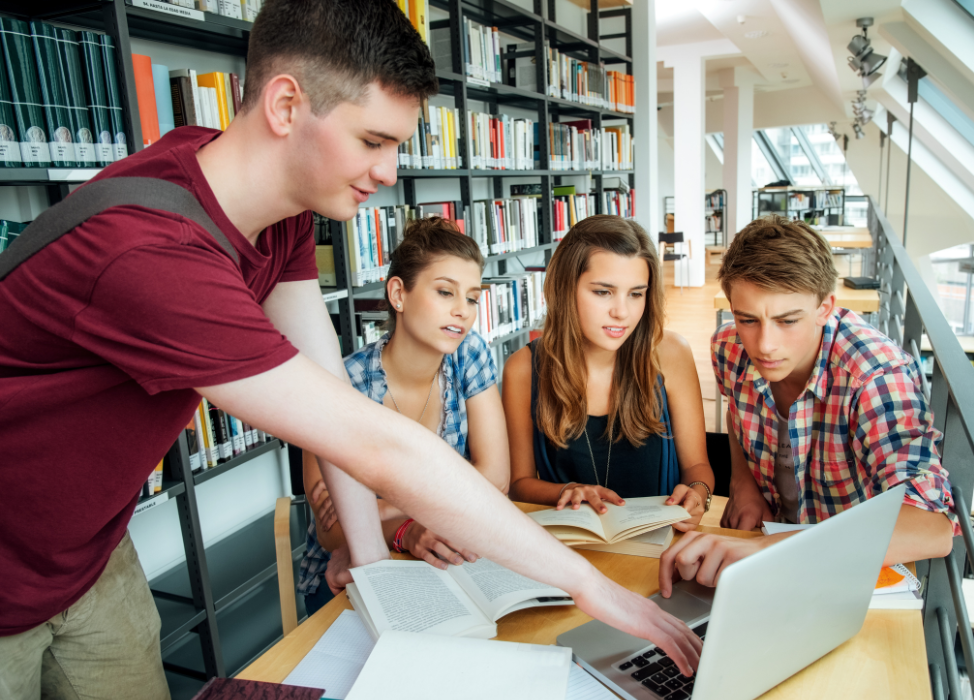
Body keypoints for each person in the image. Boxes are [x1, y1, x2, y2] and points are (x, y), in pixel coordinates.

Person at [0, 2, 702, 695]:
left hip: (90, 549)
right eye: (372, 141)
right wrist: (590, 586)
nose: (392, 171)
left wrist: (374, 574)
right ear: (284, 105)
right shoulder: (149, 255)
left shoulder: (272, 208)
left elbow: (331, 395)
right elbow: (378, 446)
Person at [660, 215, 956, 597]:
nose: (764, 344)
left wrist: (766, 550)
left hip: (845, 571)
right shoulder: (728, 346)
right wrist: (743, 483)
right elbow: (737, 414)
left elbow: (933, 527)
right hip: (766, 546)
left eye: (788, 320)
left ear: (824, 307)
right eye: (747, 319)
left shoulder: (875, 375)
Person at [298, 218, 509, 614]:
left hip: (441, 550)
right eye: (445, 292)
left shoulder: (469, 353)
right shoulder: (341, 382)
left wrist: (384, 504)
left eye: (472, 297)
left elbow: (496, 479)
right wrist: (405, 527)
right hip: (348, 574)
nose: (462, 312)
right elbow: (331, 530)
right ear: (399, 293)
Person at [503, 216, 714, 532]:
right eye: (603, 292)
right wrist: (565, 491)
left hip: (660, 547)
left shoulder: (671, 353)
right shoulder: (523, 368)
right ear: (564, 288)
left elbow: (697, 467)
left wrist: (699, 491)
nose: (622, 312)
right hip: (570, 548)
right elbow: (519, 484)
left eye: (636, 293)